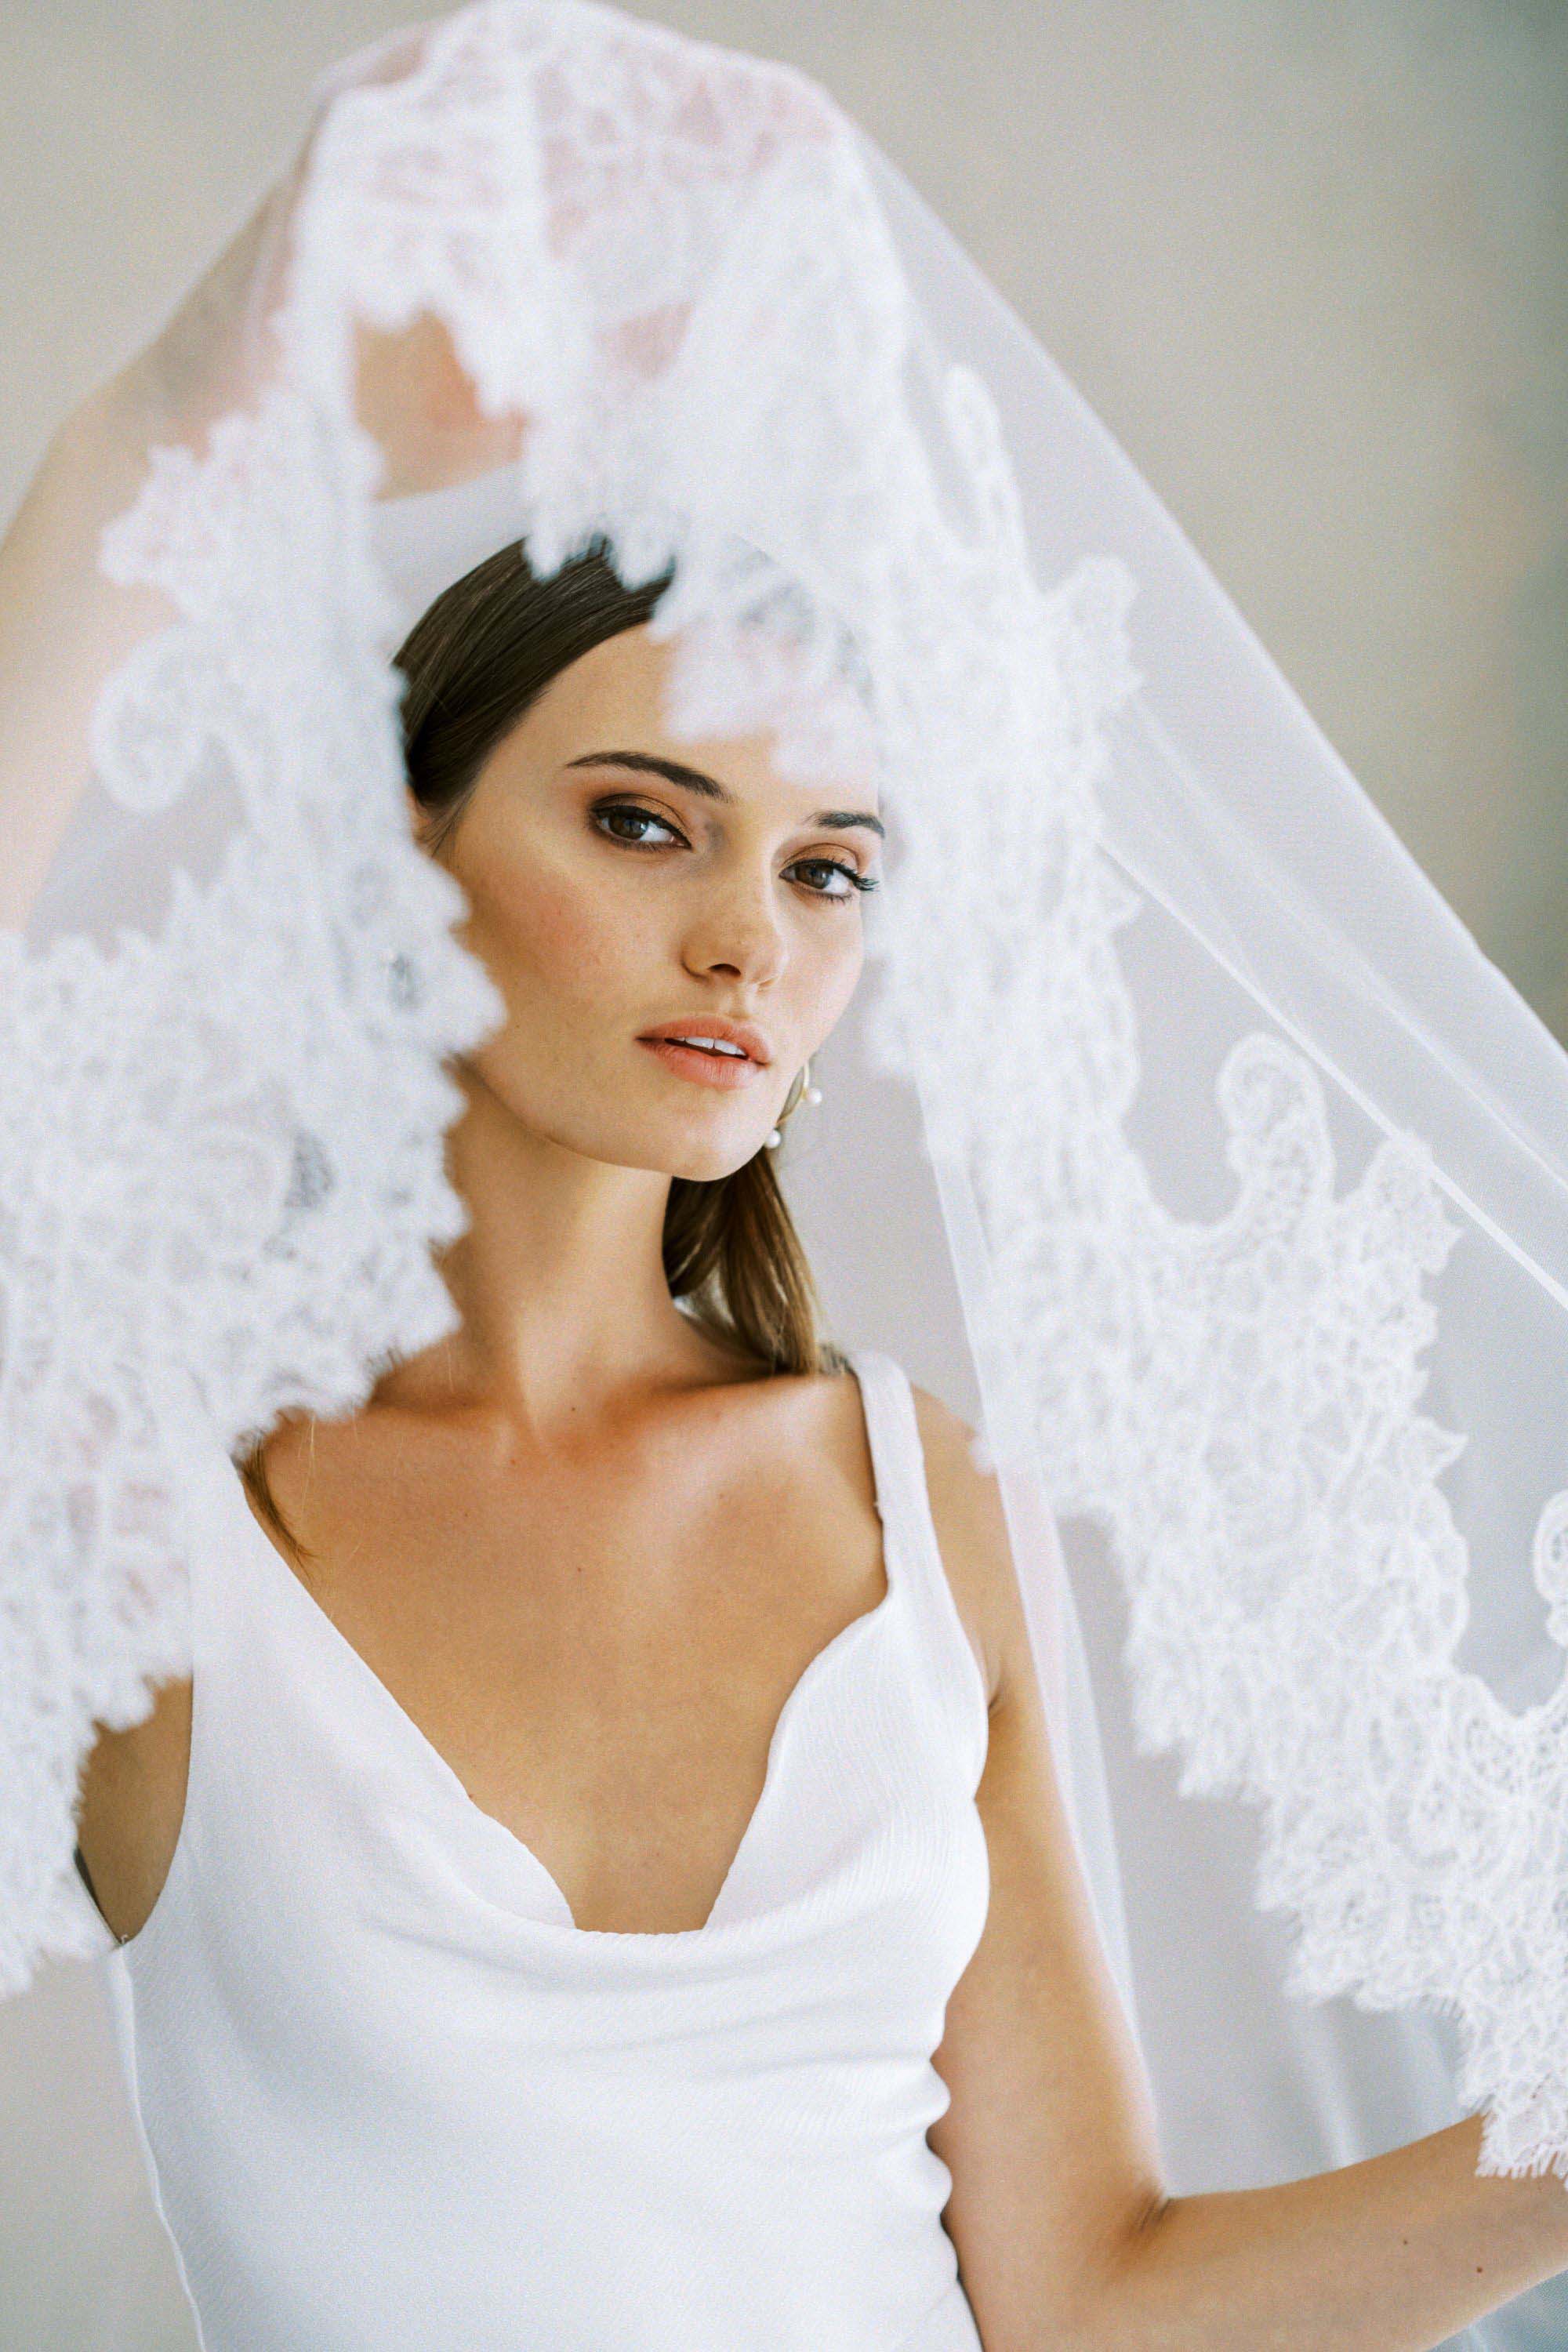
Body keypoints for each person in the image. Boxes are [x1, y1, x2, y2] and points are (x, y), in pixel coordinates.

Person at [66, 536, 1568, 2350]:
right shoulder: (135, 1526)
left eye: (826, 869)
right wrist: (133, 447)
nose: (747, 939)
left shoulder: (911, 1494)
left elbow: (1086, 2304)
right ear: (388, 859)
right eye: (641, 823)